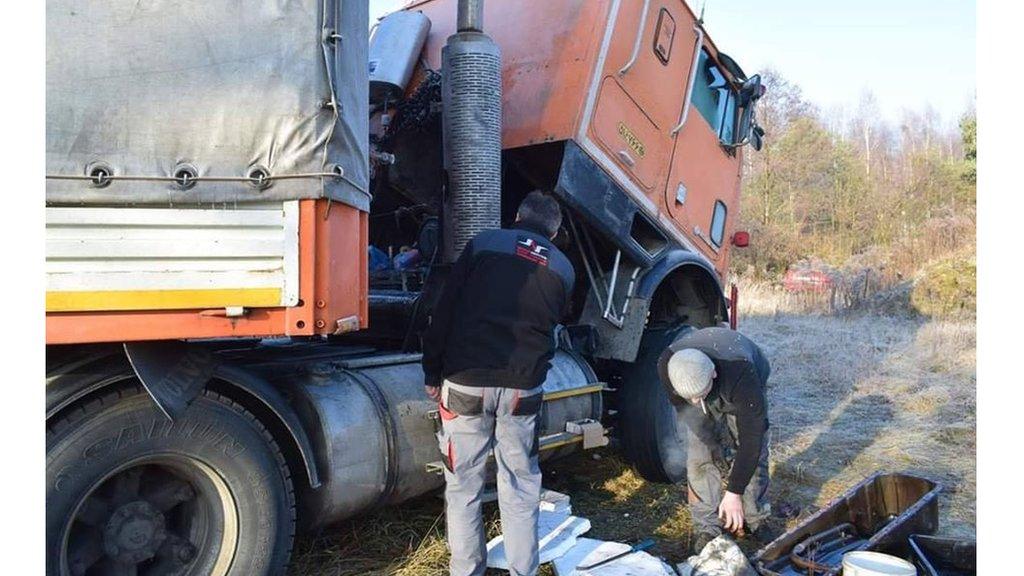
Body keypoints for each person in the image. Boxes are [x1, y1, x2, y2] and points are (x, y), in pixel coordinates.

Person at [422, 191, 575, 576]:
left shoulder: (484, 243)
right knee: (521, 487)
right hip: (522, 391)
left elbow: (444, 310)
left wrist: (431, 372)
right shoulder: (564, 268)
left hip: (465, 384)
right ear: (554, 233)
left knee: (463, 487)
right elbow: (555, 328)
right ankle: (523, 571)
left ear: (517, 216)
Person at [658, 326, 772, 552]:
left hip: (740, 379)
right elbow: (690, 416)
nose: (694, 402)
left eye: (699, 395)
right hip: (698, 379)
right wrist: (714, 447)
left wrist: (733, 492)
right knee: (699, 457)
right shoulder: (668, 366)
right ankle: (707, 527)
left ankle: (754, 516)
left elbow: (752, 441)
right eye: (689, 397)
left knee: (751, 451)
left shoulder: (742, 375)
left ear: (713, 374)